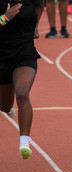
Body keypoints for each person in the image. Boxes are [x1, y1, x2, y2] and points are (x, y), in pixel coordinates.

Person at [0, 0, 44, 159]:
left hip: (25, 54)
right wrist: (5, 18)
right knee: (5, 106)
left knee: (22, 92)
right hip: (2, 57)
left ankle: (24, 143)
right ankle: (7, 107)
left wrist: (36, 25)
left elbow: (40, 4)